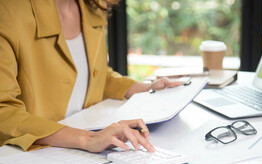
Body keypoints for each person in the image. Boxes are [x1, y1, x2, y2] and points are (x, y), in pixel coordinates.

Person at [0, 0, 180, 153]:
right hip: (33, 156)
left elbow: (97, 75)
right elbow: (3, 111)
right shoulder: (8, 10)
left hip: (79, 152)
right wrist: (88, 139)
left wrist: (146, 88)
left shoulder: (93, 6)